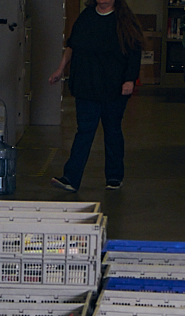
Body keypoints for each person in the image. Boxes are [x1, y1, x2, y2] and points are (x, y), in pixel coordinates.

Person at [48, 0, 148, 193]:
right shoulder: (86, 17)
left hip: (114, 88)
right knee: (84, 131)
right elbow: (72, 46)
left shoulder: (124, 19)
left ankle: (114, 177)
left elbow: (135, 52)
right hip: (86, 86)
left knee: (112, 131)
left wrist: (130, 80)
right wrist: (60, 69)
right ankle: (71, 178)